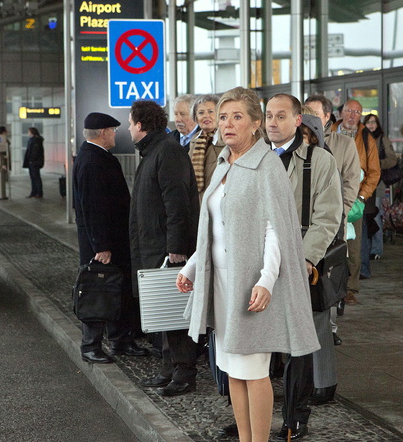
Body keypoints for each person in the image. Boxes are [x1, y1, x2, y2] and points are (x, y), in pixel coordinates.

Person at [177, 87, 319, 442]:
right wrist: (192, 267)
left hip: (250, 284)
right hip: (223, 284)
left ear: (256, 123)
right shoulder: (224, 163)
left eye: (237, 116)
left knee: (254, 371)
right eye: (223, 117)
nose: (227, 124)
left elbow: (277, 232)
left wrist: (267, 280)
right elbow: (213, 229)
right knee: (232, 371)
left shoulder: (266, 166)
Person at [266, 94, 342, 439]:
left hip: (301, 263)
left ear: (298, 120)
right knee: (258, 344)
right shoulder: (253, 159)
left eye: (280, 116)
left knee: (300, 344)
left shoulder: (318, 160)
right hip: (258, 264)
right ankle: (250, 415)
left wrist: (307, 259)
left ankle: (296, 417)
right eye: (268, 115)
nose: (272, 122)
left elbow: (328, 217)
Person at [129, 100, 200, 397]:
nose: (130, 128)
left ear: (142, 124)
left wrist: (177, 247)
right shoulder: (155, 150)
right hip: (153, 246)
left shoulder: (167, 151)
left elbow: (177, 203)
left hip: (166, 250)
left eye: (131, 122)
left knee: (175, 314)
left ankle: (184, 374)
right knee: (164, 314)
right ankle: (169, 369)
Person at [72, 112, 147, 364]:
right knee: (97, 291)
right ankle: (90, 345)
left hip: (114, 242)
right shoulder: (92, 161)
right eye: (113, 130)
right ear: (103, 133)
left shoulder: (98, 156)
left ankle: (121, 340)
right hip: (104, 246)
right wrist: (101, 246)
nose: (116, 133)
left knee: (116, 290)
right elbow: (93, 208)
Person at [305, 95, 360, 345]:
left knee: (330, 273)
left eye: (315, 113)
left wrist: (342, 212)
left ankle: (330, 328)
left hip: (333, 221)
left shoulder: (343, 145)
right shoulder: (299, 143)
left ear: (328, 117)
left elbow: (351, 182)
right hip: (306, 223)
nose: (309, 118)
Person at [333, 100, 380, 305]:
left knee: (353, 245)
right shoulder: (329, 132)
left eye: (357, 112)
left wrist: (361, 197)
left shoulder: (366, 138)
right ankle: (331, 286)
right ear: (341, 112)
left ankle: (350, 288)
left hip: (354, 200)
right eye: (350, 111)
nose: (353, 116)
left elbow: (374, 172)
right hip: (329, 197)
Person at [362, 114, 398, 262]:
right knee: (366, 216)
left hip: (378, 183)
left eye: (374, 122)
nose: (371, 125)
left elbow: (392, 159)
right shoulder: (360, 137)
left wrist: (376, 163)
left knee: (375, 215)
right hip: (363, 183)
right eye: (368, 122)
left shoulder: (382, 139)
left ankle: (376, 249)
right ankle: (366, 248)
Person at [189, 94, 224, 200]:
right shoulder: (194, 140)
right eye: (201, 112)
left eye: (210, 111)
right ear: (195, 117)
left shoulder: (226, 139)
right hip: (197, 199)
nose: (206, 116)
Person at [23, 127, 44, 198]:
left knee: (36, 177)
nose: (28, 133)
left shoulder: (36, 140)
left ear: (32, 132)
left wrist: (32, 160)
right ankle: (34, 192)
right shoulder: (31, 140)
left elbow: (35, 152)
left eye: (29, 132)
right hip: (31, 162)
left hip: (34, 162)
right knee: (33, 178)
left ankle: (38, 192)